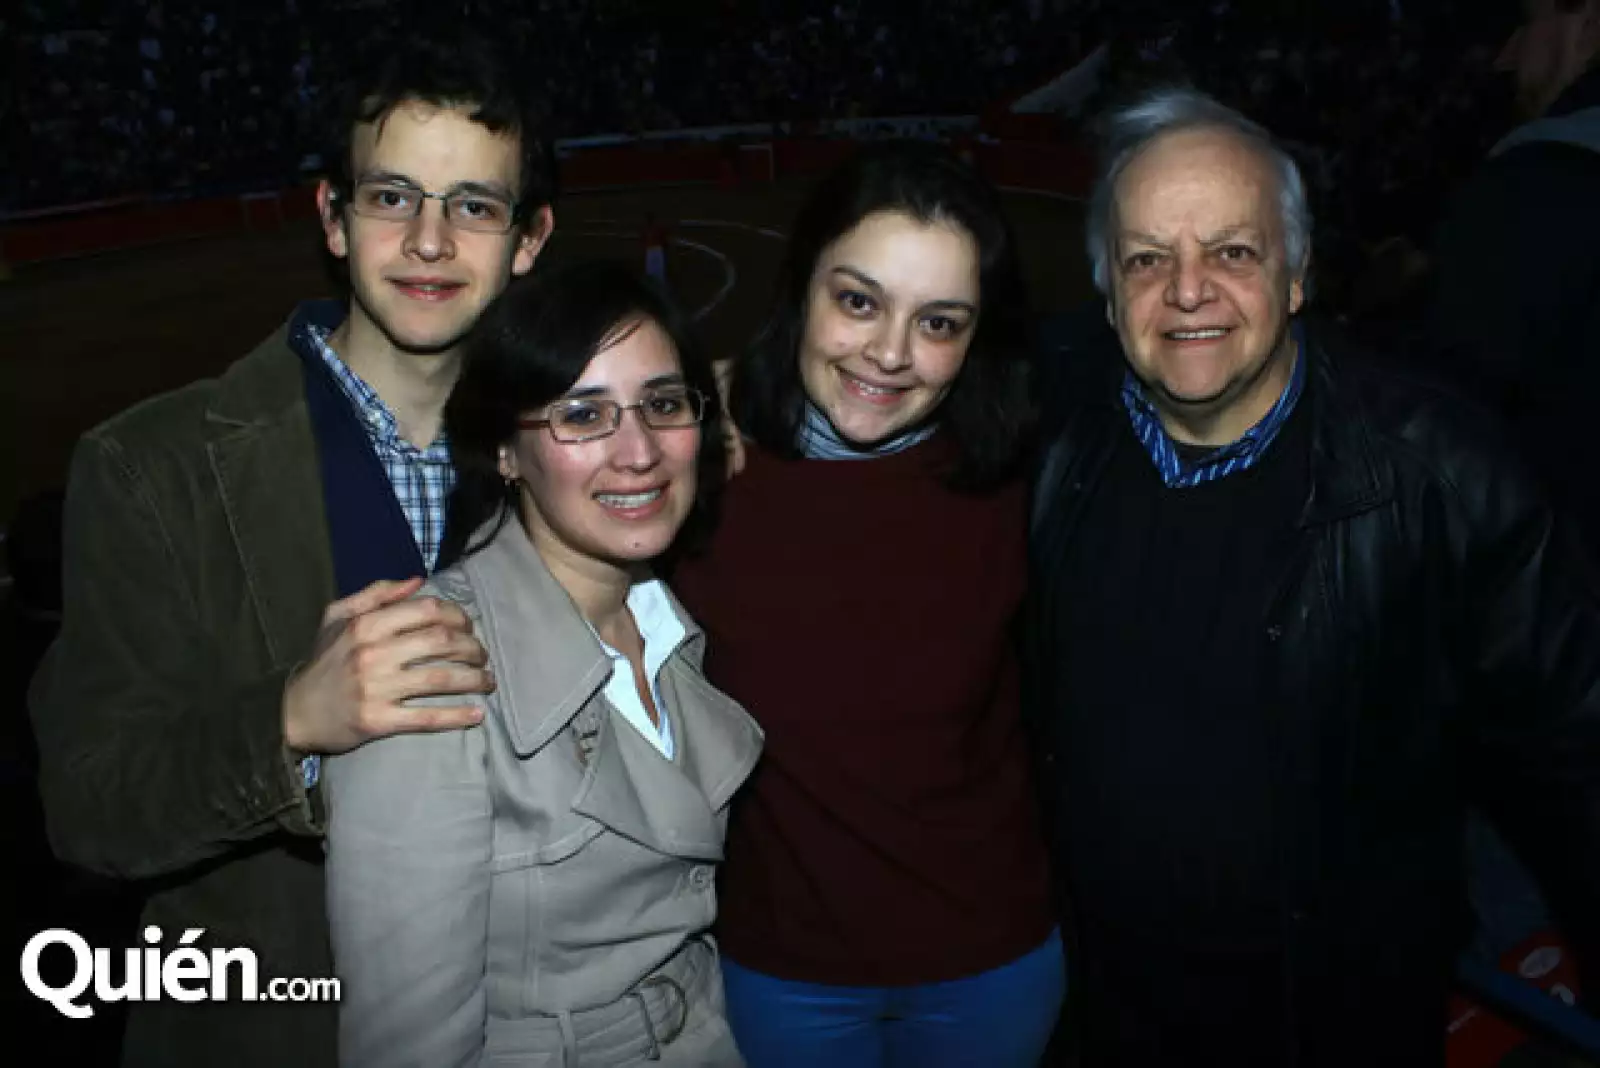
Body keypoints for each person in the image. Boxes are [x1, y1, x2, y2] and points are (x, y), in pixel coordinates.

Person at [1027, 85, 1600, 1067]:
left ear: (1295, 277)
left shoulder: (1442, 474)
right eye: (1147, 258)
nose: (1189, 289)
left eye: (1232, 251)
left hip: (1334, 1022)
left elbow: (1577, 762)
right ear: (1109, 290)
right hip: (1100, 1012)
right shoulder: (1046, 437)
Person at [27, 29, 554, 1068]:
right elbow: (87, 814)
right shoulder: (151, 466)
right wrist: (288, 725)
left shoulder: (571, 451)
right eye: (392, 197)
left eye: (473, 207)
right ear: (332, 215)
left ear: (527, 240)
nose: (431, 242)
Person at [670, 140, 1063, 1068]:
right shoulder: (689, 465)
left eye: (939, 322)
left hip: (991, 968)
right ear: (801, 285)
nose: (889, 354)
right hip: (778, 972)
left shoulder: (1026, 476)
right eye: (858, 301)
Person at [324, 260, 762, 1067]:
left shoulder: (674, 623)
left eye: (663, 404)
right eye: (582, 414)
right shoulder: (429, 672)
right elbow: (407, 1046)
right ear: (505, 452)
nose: (638, 453)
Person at [1427, 0, 1600, 546]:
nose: (1506, 58)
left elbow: (1453, 426)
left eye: (1525, 23)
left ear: (1588, 24)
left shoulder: (1541, 180)